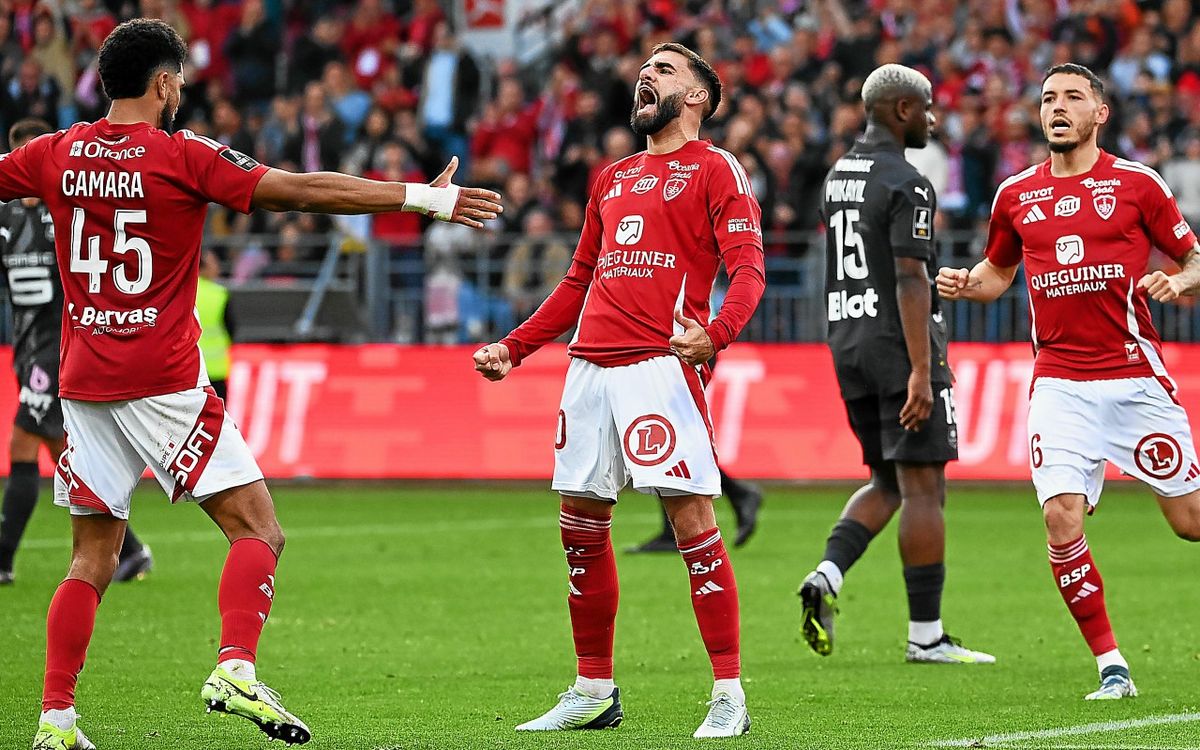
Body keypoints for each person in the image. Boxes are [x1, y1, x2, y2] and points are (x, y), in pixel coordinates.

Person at [0, 20, 500, 750]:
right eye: (181, 82)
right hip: (162, 379)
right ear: (165, 83)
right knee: (258, 527)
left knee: (91, 556)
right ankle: (235, 667)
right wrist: (419, 199)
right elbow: (299, 190)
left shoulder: (54, 152)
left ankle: (55, 718)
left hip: (83, 384)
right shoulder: (185, 154)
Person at [473, 42, 766, 738]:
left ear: (697, 97)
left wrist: (717, 333)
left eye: (665, 71)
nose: (645, 76)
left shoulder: (714, 167)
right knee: (580, 532)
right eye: (644, 70)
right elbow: (578, 280)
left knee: (691, 524)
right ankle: (592, 688)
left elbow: (748, 268)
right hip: (588, 368)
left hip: (659, 368)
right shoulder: (611, 176)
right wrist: (514, 347)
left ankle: (729, 694)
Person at [937, 63, 1200, 700]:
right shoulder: (1015, 195)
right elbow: (998, 273)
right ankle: (1113, 666)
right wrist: (967, 284)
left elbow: (1194, 258)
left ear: (1099, 114)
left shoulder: (1138, 185)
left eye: (1073, 97)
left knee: (1190, 522)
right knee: (1060, 515)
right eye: (1049, 97)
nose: (1058, 106)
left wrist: (1180, 281)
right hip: (1059, 383)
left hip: (1135, 379)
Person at [796, 64, 994, 666]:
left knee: (886, 479)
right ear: (902, 110)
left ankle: (828, 573)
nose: (934, 119)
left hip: (847, 342)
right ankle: (926, 636)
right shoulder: (907, 182)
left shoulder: (841, 175)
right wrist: (919, 371)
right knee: (925, 486)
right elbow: (910, 277)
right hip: (898, 344)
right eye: (928, 107)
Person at [0, 118, 153, 587]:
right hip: (26, 348)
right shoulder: (6, 220)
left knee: (23, 439)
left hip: (61, 344)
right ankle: (131, 549)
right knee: (61, 449)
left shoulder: (66, 210)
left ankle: (3, 558)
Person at [196, 250, 234, 400]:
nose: (217, 268)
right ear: (203, 268)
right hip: (217, 369)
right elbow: (231, 328)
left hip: (191, 369)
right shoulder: (220, 294)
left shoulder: (185, 291)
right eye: (214, 264)